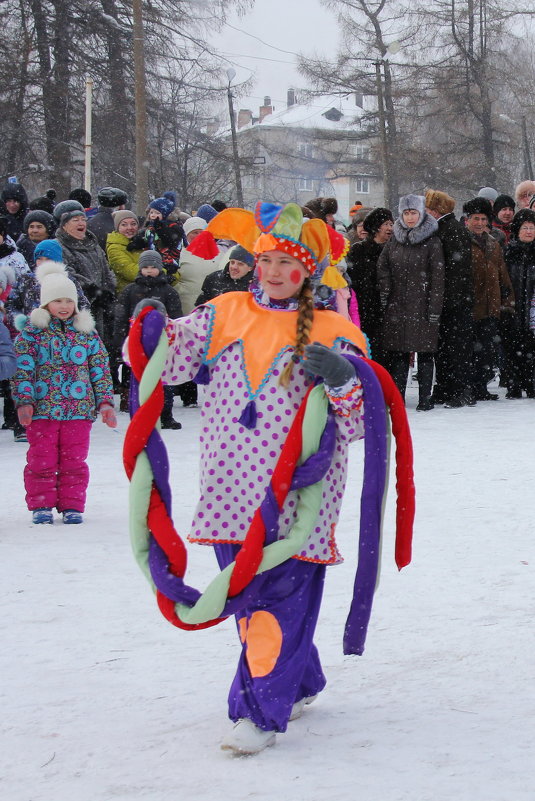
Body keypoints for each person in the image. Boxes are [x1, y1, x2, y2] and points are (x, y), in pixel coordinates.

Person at [130, 200, 412, 755]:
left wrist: (340, 380)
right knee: (248, 598)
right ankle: (299, 678)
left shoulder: (337, 329)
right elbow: (170, 360)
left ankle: (259, 709)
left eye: (288, 263)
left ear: (310, 270)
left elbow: (360, 423)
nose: (275, 273)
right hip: (230, 492)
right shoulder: (223, 311)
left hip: (300, 498)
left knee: (273, 601)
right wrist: (148, 328)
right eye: (266, 262)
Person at [11, 261, 116, 525]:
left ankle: (72, 505)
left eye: (68, 301)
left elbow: (100, 369)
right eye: (57, 300)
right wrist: (24, 401)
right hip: (42, 410)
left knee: (74, 461)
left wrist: (105, 402)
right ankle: (41, 504)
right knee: (41, 459)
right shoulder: (31, 335)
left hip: (78, 410)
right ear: (45, 304)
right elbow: (23, 370)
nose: (64, 306)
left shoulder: (86, 335)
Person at [377, 194, 445, 410]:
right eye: (406, 213)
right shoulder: (394, 240)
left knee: (425, 352)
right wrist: (386, 291)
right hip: (398, 305)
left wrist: (434, 306)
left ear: (421, 213)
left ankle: (425, 398)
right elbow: (383, 266)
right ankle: (398, 397)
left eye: (413, 212)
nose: (410, 217)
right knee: (399, 353)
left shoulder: (432, 242)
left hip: (423, 305)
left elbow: (438, 276)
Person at [114, 251, 183, 426]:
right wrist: (120, 341)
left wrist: (175, 340)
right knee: (137, 380)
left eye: (153, 267)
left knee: (163, 381)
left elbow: (176, 318)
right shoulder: (130, 290)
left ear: (160, 268)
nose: (149, 271)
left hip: (162, 344)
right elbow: (120, 317)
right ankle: (138, 414)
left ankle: (166, 415)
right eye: (145, 267)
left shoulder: (169, 291)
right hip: (136, 343)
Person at [463, 197, 515, 401]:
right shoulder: (463, 241)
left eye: (483, 219)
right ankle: (468, 387)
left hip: (490, 305)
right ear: (468, 220)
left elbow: (502, 273)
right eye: (475, 218)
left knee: (486, 351)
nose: (479, 223)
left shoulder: (494, 243)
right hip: (470, 305)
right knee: (469, 350)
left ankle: (481, 387)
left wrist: (507, 299)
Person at [425, 190, 474, 408]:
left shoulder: (450, 230)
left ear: (436, 210)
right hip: (452, 300)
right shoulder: (448, 229)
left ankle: (459, 390)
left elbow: (456, 270)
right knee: (447, 348)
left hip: (454, 301)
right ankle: (447, 388)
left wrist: (446, 300)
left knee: (454, 348)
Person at [346, 207, 394, 365]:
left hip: (389, 313)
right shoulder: (359, 250)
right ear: (376, 227)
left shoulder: (394, 250)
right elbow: (353, 283)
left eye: (391, 224)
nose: (390, 228)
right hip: (365, 312)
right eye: (386, 224)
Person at [502, 209, 535, 398]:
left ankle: (531, 384)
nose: (529, 231)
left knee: (531, 349)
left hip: (532, 311)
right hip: (512, 309)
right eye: (525, 228)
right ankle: (513, 384)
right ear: (518, 230)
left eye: (532, 228)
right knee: (512, 347)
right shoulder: (509, 252)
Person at [106, 210, 144, 294]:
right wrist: (160, 272)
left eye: (133, 224)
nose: (129, 228)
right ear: (117, 227)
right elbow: (130, 271)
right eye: (124, 224)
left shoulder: (143, 243)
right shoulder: (114, 247)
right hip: (129, 295)